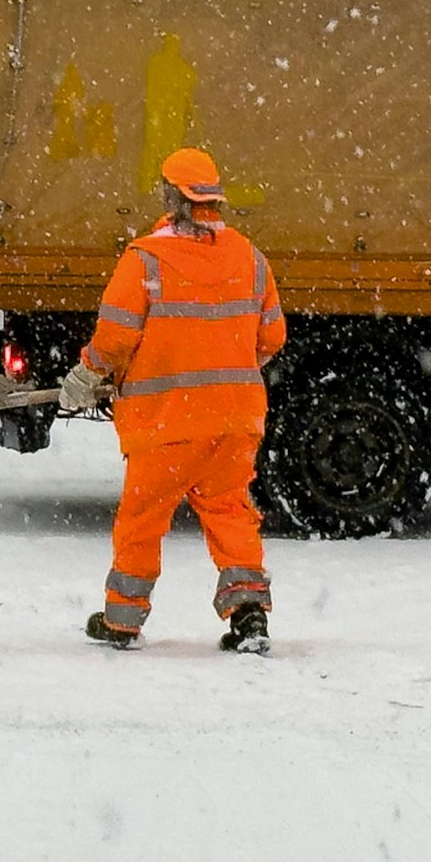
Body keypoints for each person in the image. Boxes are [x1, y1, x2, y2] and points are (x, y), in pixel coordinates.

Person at [59, 147, 287, 654]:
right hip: (235, 421)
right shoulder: (250, 258)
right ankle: (249, 615)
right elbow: (272, 337)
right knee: (230, 512)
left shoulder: (145, 259)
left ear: (169, 196)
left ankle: (122, 621)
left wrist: (86, 374)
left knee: (142, 520)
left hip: (166, 424)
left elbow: (116, 337)